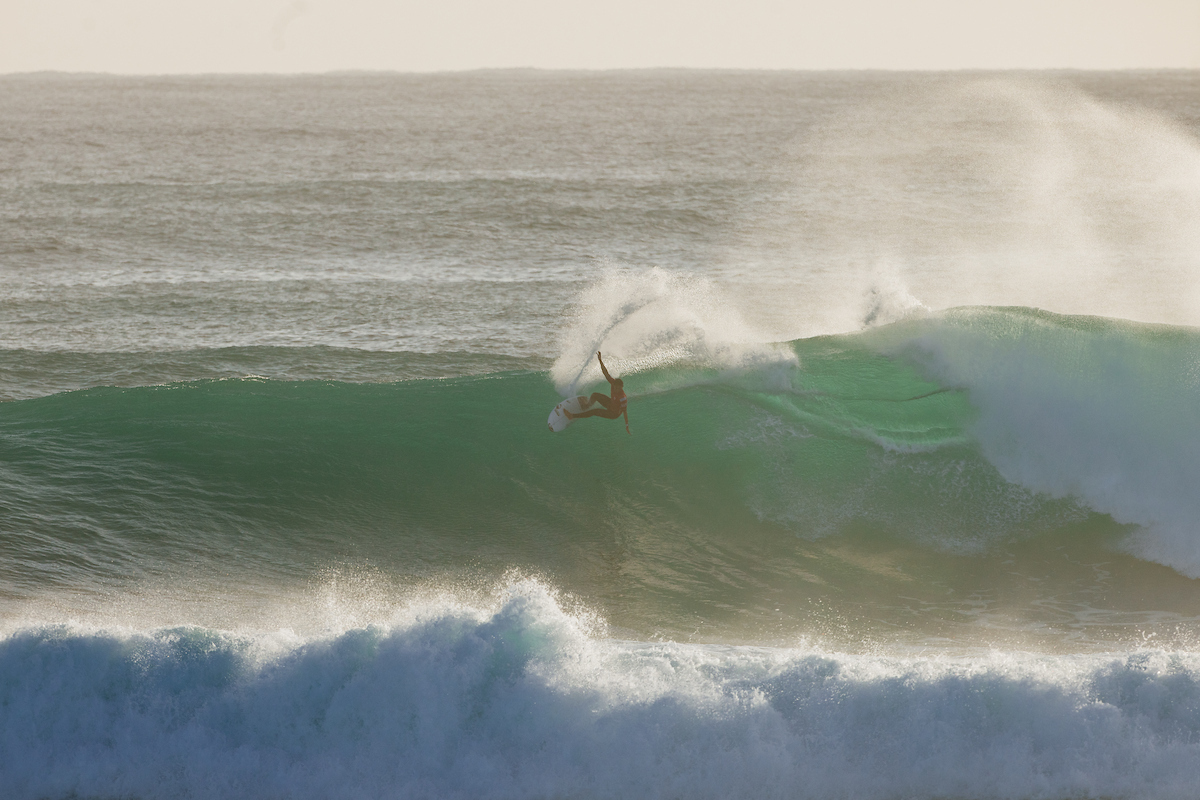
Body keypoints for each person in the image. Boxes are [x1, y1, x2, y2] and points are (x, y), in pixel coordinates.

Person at [565, 351, 630, 434]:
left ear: (621, 387)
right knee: (594, 395)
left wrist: (627, 425)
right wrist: (600, 360)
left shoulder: (622, 398)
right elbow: (605, 373)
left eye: (618, 388)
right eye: (615, 387)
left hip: (613, 413)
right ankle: (586, 406)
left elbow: (624, 412)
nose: (616, 389)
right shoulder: (613, 383)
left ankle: (572, 416)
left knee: (594, 412)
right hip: (610, 403)